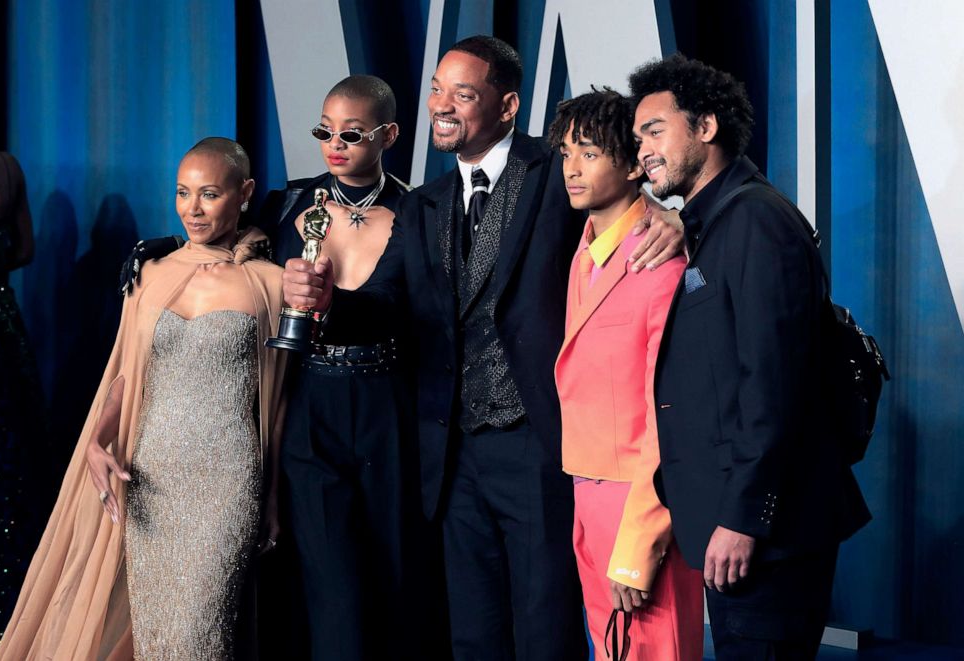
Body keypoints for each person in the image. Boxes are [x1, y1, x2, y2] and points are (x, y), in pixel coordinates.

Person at [283, 36, 683, 660]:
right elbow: (392, 309)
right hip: (451, 456)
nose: (441, 105)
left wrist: (671, 213)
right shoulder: (423, 205)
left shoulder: (556, 172)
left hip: (537, 446)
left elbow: (627, 196)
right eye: (437, 90)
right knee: (472, 635)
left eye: (463, 94)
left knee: (545, 630)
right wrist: (331, 301)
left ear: (507, 106)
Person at [0, 138, 286, 660]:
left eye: (209, 194)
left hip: (227, 481)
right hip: (151, 475)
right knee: (155, 639)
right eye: (182, 193)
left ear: (244, 193)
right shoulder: (151, 274)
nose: (192, 209)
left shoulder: (271, 285)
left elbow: (280, 400)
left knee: (200, 637)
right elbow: (126, 378)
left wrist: (272, 496)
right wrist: (97, 441)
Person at [627, 54, 871, 659]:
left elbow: (773, 385)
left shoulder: (757, 221)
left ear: (705, 127)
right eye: (637, 138)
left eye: (655, 131)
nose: (643, 152)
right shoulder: (716, 222)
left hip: (766, 534)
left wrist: (743, 518)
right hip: (736, 526)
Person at [263, 75, 434, 661]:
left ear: (388, 134)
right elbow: (229, 250)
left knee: (394, 573)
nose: (335, 144)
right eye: (324, 131)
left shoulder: (421, 212)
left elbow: (418, 314)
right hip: (312, 404)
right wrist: (162, 250)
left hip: (390, 406)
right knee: (330, 582)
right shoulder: (287, 204)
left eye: (353, 134)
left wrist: (337, 302)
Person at [550, 88, 703, 660]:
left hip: (641, 502)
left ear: (635, 160)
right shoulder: (584, 252)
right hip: (585, 488)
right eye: (566, 153)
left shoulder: (661, 260)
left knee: (654, 650)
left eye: (588, 152)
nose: (572, 168)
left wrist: (640, 541)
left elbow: (671, 417)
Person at [0, 75, 46, 659]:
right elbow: (24, 251)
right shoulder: (5, 169)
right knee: (8, 485)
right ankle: (14, 624)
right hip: (2, 343)